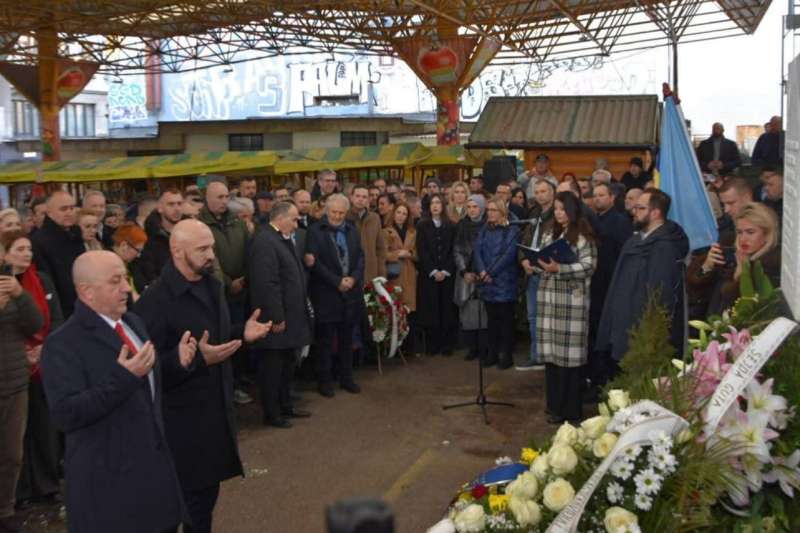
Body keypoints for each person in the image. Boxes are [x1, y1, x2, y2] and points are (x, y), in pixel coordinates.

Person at [133, 220, 270, 533]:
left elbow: (212, 338)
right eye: (202, 249)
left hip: (213, 419)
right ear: (177, 251)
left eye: (212, 247)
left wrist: (242, 333)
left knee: (203, 508)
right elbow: (143, 370)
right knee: (175, 514)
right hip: (178, 430)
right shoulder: (155, 301)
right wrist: (190, 362)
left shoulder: (211, 285)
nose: (211, 255)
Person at [41, 251, 188, 533]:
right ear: (87, 292)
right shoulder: (63, 343)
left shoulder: (133, 323)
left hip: (154, 482)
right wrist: (123, 379)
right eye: (115, 281)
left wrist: (178, 362)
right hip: (109, 491)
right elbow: (65, 414)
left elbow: (147, 385)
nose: (125, 288)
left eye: (125, 278)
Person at [596, 188, 690, 368]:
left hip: (644, 333)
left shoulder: (665, 247)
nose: (634, 212)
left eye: (640, 208)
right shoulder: (634, 241)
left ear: (655, 213)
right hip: (624, 323)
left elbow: (660, 296)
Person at [1, 232, 62, 509]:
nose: (27, 254)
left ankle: (42, 486)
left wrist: (44, 348)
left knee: (36, 433)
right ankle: (19, 493)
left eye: (29, 249)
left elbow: (42, 319)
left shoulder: (40, 280)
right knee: (13, 444)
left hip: (34, 367)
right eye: (19, 249)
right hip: (14, 365)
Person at [531, 191, 596, 424]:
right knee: (552, 360)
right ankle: (554, 406)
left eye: (563, 209)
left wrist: (560, 269)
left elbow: (589, 266)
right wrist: (534, 263)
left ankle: (570, 410)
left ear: (573, 210)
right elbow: (543, 260)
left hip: (571, 305)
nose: (558, 213)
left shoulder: (583, 237)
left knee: (569, 361)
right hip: (549, 302)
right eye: (556, 209)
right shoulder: (550, 232)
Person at [249, 202, 311, 428]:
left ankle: (286, 405)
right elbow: (267, 284)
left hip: (290, 316)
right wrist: (276, 317)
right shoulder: (265, 241)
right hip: (276, 319)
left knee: (286, 366)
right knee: (273, 369)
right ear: (280, 218)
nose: (296, 225)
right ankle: (272, 412)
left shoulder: (279, 238)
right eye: (293, 220)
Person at [0, 241, 44, 533]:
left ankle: (5, 509)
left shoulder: (11, 283)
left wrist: (20, 295)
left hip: (15, 380)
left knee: (11, 454)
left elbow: (34, 323)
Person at [199, 180, 252, 405]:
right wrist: (230, 283)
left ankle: (239, 378)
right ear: (207, 199)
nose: (224, 201)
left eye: (226, 197)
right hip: (218, 293)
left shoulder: (237, 222)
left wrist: (245, 279)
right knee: (223, 339)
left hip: (242, 290)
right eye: (219, 197)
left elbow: (250, 251)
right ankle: (229, 386)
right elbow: (212, 262)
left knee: (240, 337)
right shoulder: (201, 225)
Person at [305, 194, 364, 397]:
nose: (337, 216)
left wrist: (353, 278)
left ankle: (346, 378)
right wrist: (337, 281)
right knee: (325, 342)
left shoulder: (352, 230)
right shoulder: (315, 231)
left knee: (347, 340)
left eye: (341, 213)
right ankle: (325, 381)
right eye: (333, 212)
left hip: (350, 293)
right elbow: (315, 264)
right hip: (326, 294)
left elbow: (360, 257)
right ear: (326, 210)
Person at [691, 202, 780, 316]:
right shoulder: (731, 255)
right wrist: (707, 267)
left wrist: (741, 276)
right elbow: (699, 294)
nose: (743, 239)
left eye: (750, 232)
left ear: (767, 234)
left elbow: (746, 310)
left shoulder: (770, 267)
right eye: (739, 232)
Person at [586, 183, 632, 391]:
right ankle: (595, 377)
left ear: (612, 197)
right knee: (594, 332)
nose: (597, 198)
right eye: (595, 195)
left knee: (606, 335)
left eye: (601, 195)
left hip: (610, 284)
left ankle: (606, 380)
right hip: (594, 284)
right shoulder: (592, 221)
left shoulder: (621, 222)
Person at [473, 196, 520, 370]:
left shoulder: (512, 230)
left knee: (505, 322)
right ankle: (492, 353)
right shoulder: (484, 230)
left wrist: (490, 272)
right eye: (488, 210)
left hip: (504, 281)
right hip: (487, 282)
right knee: (491, 321)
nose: (490, 213)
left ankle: (506, 355)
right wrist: (482, 271)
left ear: (502, 212)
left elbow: (508, 255)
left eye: (494, 210)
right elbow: (477, 251)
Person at [516, 180, 556, 371]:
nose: (540, 195)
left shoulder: (558, 215)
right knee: (533, 317)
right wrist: (523, 260)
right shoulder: (534, 214)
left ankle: (550, 357)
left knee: (550, 317)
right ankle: (536, 355)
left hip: (550, 273)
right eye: (537, 192)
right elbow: (524, 240)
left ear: (552, 192)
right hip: (531, 273)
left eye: (543, 191)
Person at [415, 193, 457, 356]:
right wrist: (433, 270)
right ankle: (433, 345)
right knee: (431, 309)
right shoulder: (422, 225)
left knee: (446, 309)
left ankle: (446, 344)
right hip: (429, 275)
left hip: (447, 274)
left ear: (443, 205)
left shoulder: (451, 226)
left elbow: (453, 250)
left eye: (438, 202)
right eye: (432, 203)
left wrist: (446, 270)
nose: (435, 206)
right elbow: (422, 250)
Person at [31, 191, 84, 317]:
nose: (69, 212)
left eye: (72, 208)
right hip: (62, 309)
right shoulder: (39, 241)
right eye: (63, 209)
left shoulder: (76, 233)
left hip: (83, 302)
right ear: (49, 212)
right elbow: (47, 282)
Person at [454, 195, 488, 362]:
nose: (472, 210)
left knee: (483, 312)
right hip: (466, 275)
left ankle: (484, 348)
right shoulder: (461, 225)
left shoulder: (488, 224)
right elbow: (457, 250)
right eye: (469, 207)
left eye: (475, 206)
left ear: (481, 207)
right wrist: (464, 271)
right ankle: (472, 348)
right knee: (468, 313)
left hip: (484, 274)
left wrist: (482, 271)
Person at [140, 188, 184, 286]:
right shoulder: (149, 238)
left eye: (179, 204)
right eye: (171, 204)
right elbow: (149, 274)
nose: (177, 208)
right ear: (160, 208)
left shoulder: (192, 231)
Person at [348, 185, 387, 283]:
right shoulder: (344, 216)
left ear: (369, 199)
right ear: (351, 197)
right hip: (350, 272)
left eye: (364, 197)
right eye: (357, 196)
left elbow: (380, 248)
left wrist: (381, 274)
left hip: (370, 272)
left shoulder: (375, 218)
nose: (360, 199)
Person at [382, 203, 417, 313]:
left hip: (409, 273)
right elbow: (383, 254)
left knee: (408, 308)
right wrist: (398, 254)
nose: (401, 216)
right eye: (399, 212)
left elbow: (418, 252)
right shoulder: (385, 231)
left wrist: (410, 253)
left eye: (404, 214)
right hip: (394, 272)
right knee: (394, 306)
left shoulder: (412, 232)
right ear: (393, 213)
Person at [110, 222, 148, 302]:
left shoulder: (131, 265)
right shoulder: (109, 267)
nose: (138, 255)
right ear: (124, 245)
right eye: (137, 250)